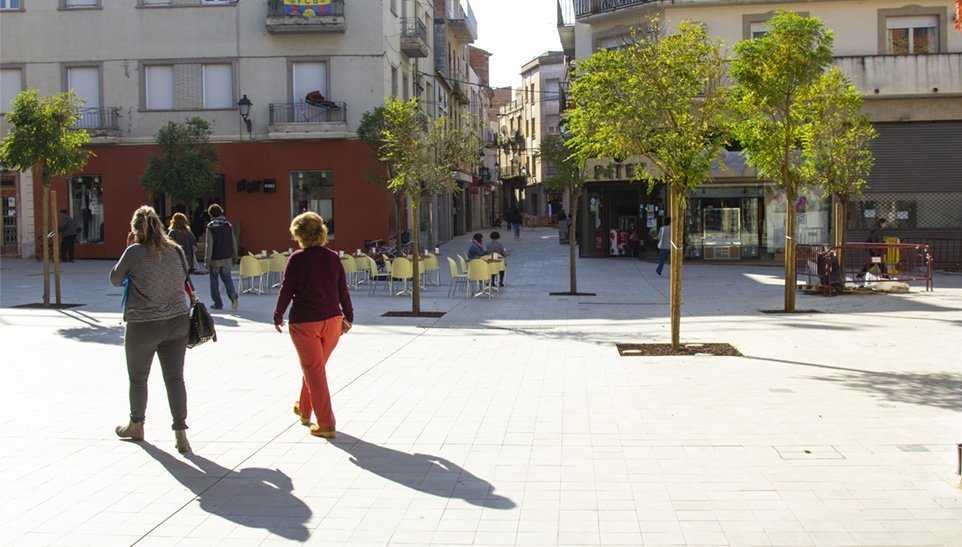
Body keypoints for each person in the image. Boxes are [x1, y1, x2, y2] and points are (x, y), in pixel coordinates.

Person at [109, 206, 192, 453]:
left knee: (138, 378)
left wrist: (128, 249)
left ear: (135, 230)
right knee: (175, 378)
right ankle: (181, 434)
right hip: (178, 321)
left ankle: (136, 425)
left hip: (144, 324)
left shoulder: (134, 252)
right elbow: (185, 275)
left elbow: (115, 279)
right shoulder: (175, 250)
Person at [273, 212, 353, 439]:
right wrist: (349, 316)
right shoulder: (332, 257)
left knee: (315, 372)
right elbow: (342, 289)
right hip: (333, 322)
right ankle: (305, 408)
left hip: (305, 323)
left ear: (300, 235)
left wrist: (278, 315)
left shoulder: (297, 259)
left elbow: (286, 289)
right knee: (315, 368)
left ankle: (326, 423)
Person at [204, 204, 238, 310]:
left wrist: (207, 260)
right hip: (227, 257)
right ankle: (233, 297)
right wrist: (235, 255)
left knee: (214, 281)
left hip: (215, 259)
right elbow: (233, 241)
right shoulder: (228, 225)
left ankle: (218, 303)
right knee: (227, 278)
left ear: (210, 214)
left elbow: (209, 245)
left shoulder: (210, 227)